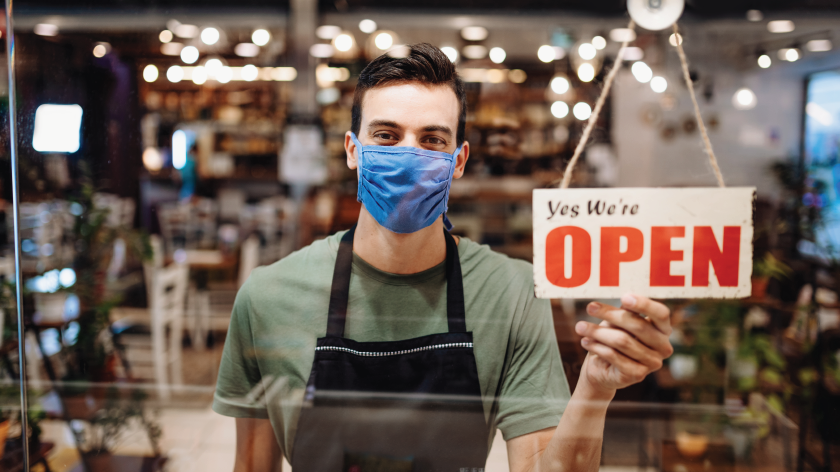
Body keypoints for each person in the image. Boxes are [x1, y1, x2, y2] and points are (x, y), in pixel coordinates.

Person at [213, 43, 674, 472]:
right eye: (387, 135)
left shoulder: (510, 293)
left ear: (458, 160)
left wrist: (594, 388)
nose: (409, 155)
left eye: (432, 140)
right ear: (354, 151)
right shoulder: (268, 297)